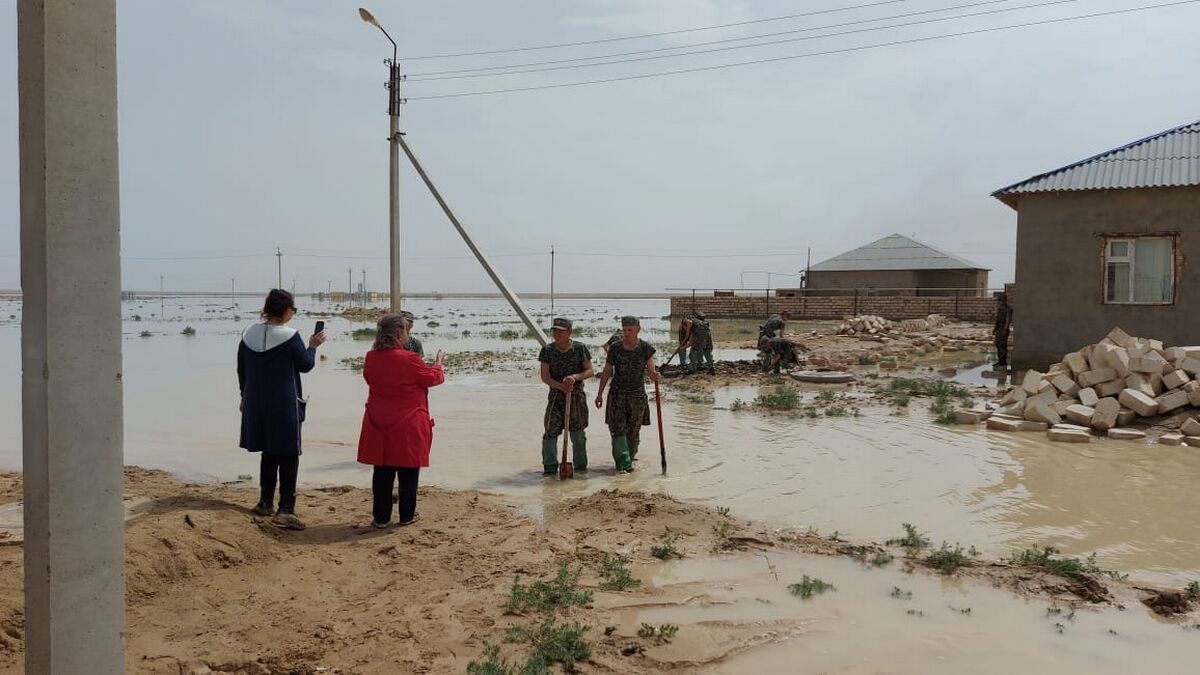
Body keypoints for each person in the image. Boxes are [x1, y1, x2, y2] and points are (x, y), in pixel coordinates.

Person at [238, 289, 326, 530]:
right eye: (293, 310)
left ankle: (265, 502)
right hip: (283, 404)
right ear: (287, 311)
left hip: (255, 403)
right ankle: (286, 509)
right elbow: (305, 365)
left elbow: (241, 370)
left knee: (268, 451)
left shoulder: (248, 334)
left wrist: (244, 398)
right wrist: (313, 346)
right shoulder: (290, 336)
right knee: (288, 454)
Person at [357, 313, 446, 528]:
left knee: (382, 471)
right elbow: (433, 378)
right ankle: (406, 516)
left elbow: (370, 378)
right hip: (407, 420)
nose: (407, 336)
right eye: (405, 331)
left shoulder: (371, 357)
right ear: (398, 333)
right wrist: (438, 363)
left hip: (378, 419)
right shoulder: (409, 358)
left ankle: (381, 518)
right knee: (408, 471)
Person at [594, 316, 659, 472]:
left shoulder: (646, 348)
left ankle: (629, 458)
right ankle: (623, 466)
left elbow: (651, 371)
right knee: (617, 429)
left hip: (637, 395)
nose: (627, 333)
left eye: (630, 330)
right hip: (617, 394)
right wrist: (599, 394)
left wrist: (655, 376)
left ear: (638, 329)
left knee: (633, 431)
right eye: (624, 330)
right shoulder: (615, 348)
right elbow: (607, 371)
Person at [538, 318, 595, 475]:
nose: (557, 334)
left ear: (569, 332)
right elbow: (545, 376)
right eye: (555, 331)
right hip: (556, 397)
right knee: (550, 432)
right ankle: (549, 469)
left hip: (576, 397)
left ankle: (581, 469)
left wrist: (574, 377)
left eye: (561, 331)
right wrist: (561, 386)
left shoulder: (580, 348)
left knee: (577, 433)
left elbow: (590, 371)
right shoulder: (547, 350)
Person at [688, 311, 715, 375]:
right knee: (707, 352)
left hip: (698, 337)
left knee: (694, 352)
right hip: (707, 337)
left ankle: (692, 369)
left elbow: (690, 334)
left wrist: (688, 341)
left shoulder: (692, 321)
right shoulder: (705, 323)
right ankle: (711, 369)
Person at [993, 293, 1013, 368]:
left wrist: (1005, 329)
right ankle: (1000, 361)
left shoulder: (1008, 309)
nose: (999, 303)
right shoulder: (1000, 309)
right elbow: (997, 320)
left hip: (1003, 329)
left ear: (1004, 301)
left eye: (1001, 301)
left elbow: (1008, 320)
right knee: (997, 344)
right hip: (999, 328)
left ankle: (1003, 362)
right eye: (999, 301)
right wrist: (995, 328)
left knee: (1002, 346)